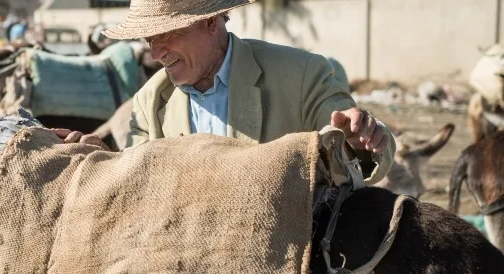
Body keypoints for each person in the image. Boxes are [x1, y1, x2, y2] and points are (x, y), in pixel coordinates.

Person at [57, 0, 394, 185]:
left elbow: (347, 140)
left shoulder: (301, 73)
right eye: (149, 40)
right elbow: (140, 178)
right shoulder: (151, 101)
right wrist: (104, 158)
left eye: (167, 35)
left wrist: (358, 139)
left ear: (210, 23)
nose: (157, 53)